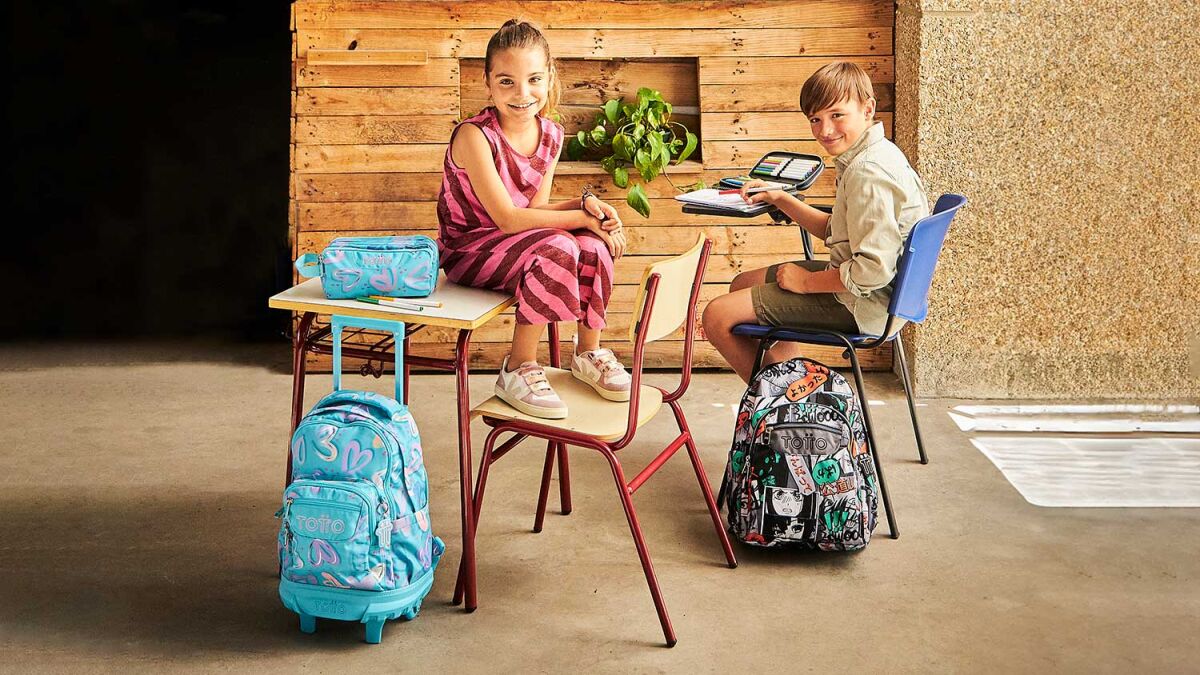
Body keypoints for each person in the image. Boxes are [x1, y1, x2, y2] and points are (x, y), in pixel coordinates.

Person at [436, 19, 631, 419]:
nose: (522, 94)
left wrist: (587, 208)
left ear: (549, 78)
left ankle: (588, 352)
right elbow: (508, 219)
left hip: (516, 246)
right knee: (559, 245)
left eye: (534, 80)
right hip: (469, 251)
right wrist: (579, 217)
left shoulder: (551, 134)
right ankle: (518, 366)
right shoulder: (474, 136)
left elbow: (535, 213)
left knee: (593, 243)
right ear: (487, 83)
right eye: (506, 81)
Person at [702, 61, 930, 383]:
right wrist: (780, 198)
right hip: (877, 296)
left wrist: (806, 283)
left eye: (837, 115)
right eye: (815, 119)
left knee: (716, 315)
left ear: (867, 109)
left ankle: (784, 401)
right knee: (743, 284)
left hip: (864, 304)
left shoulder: (868, 173)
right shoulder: (877, 153)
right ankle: (793, 389)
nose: (825, 131)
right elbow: (837, 230)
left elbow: (872, 271)